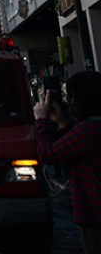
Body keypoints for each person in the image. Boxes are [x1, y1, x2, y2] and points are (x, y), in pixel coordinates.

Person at [34, 70, 101, 253]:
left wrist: (40, 121)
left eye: (72, 98)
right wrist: (62, 122)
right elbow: (76, 146)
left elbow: (48, 154)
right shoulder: (91, 129)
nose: (70, 103)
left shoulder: (90, 129)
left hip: (94, 213)